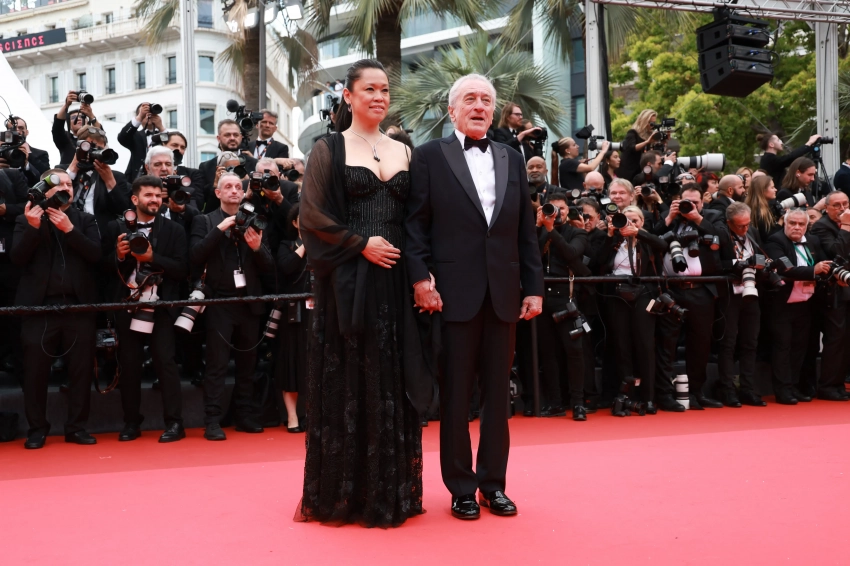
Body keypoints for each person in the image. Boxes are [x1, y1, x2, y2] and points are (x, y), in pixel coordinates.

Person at [297, 59, 430, 527]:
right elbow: (311, 216)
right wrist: (360, 244)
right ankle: (346, 494)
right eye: (369, 89)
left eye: (385, 90)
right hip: (349, 281)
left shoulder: (405, 150)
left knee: (393, 376)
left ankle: (390, 490)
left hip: (396, 280)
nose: (379, 97)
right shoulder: (328, 148)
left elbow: (417, 219)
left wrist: (422, 274)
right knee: (351, 377)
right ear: (348, 96)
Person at [406, 72, 544, 520]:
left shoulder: (511, 158)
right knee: (455, 398)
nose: (480, 106)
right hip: (452, 295)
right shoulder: (429, 156)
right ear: (452, 110)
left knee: (498, 400)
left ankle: (493, 485)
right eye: (470, 99)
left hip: (504, 294)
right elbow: (415, 226)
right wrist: (420, 278)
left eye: (486, 99)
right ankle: (461, 488)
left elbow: (524, 231)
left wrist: (534, 288)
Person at [11, 169, 102, 449]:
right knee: (35, 372)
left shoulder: (85, 220)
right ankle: (37, 429)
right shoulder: (25, 218)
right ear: (44, 189)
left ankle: (76, 427)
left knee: (81, 371)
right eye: (59, 184)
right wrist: (33, 228)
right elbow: (17, 259)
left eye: (70, 184)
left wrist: (70, 230)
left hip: (78, 307)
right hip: (38, 309)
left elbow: (97, 256)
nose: (67, 188)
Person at [189, 172, 274, 440]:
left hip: (249, 302)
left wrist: (257, 248)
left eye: (239, 186)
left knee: (248, 364)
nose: (235, 190)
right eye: (228, 187)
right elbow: (194, 256)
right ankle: (212, 420)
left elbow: (269, 267)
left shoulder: (255, 221)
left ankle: (244, 415)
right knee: (217, 364)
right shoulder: (205, 220)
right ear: (218, 193)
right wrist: (220, 228)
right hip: (219, 303)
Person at [103, 176, 188, 442]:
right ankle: (131, 423)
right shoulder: (115, 227)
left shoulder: (174, 230)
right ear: (134, 199)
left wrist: (153, 258)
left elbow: (182, 270)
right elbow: (101, 269)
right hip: (127, 304)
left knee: (166, 363)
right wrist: (119, 256)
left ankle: (175, 423)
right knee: (129, 365)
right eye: (148, 195)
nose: (154, 200)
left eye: (158, 195)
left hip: (161, 306)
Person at [652, 184, 726, 410]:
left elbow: (723, 239)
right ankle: (664, 394)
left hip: (701, 291)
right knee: (666, 343)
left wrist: (696, 218)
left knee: (700, 344)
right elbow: (652, 239)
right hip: (670, 290)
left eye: (695, 202)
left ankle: (696, 392)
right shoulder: (670, 218)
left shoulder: (711, 217)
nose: (690, 206)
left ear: (703, 202)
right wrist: (669, 216)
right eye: (687, 202)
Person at [595, 202, 671, 412]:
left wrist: (638, 233)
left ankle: (648, 397)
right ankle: (625, 396)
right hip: (617, 296)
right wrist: (610, 235)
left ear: (642, 222)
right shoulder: (614, 240)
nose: (629, 224)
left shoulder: (647, 240)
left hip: (644, 295)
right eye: (626, 220)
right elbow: (598, 261)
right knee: (622, 346)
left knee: (645, 345)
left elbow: (662, 245)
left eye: (634, 220)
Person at [763, 208, 831, 404]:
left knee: (800, 347)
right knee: (783, 347)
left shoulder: (812, 241)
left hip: (806, 302)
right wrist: (813, 270)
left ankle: (793, 386)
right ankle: (782, 390)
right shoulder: (775, 241)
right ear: (785, 223)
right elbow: (785, 269)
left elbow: (823, 263)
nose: (796, 227)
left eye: (801, 224)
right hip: (782, 304)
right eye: (792, 223)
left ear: (806, 226)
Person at [535, 192, 591, 419]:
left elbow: (571, 253)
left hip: (565, 298)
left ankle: (578, 403)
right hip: (540, 298)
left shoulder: (577, 232)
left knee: (574, 351)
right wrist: (538, 227)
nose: (557, 214)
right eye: (552, 209)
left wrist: (551, 231)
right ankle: (555, 403)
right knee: (547, 353)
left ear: (569, 211)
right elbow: (529, 255)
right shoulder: (537, 231)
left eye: (562, 209)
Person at [715, 202, 766, 407]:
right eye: (740, 226)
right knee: (728, 344)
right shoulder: (722, 234)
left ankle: (747, 389)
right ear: (729, 223)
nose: (745, 229)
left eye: (747, 224)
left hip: (751, 292)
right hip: (730, 295)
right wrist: (738, 265)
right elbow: (714, 264)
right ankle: (727, 390)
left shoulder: (752, 232)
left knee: (750, 342)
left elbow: (761, 256)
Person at [807, 191, 850, 401]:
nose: (842, 208)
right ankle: (827, 385)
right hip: (833, 292)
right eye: (837, 205)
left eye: (845, 204)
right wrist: (847, 226)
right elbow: (836, 253)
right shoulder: (822, 226)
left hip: (847, 287)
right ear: (826, 208)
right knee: (835, 338)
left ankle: (839, 383)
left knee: (846, 339)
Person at [274, 203, 308, 432]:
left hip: (319, 311)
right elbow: (286, 267)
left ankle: (314, 415)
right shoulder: (286, 245)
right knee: (291, 364)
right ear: (295, 223)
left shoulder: (325, 245)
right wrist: (306, 245)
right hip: (293, 313)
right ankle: (292, 416)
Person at [60, 127, 132, 234]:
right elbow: (54, 197)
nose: (94, 152)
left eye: (99, 149)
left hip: (98, 235)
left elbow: (123, 210)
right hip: (64, 230)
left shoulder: (116, 177)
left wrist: (110, 182)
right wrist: (73, 168)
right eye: (90, 147)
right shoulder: (62, 171)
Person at [197, 119, 258, 210]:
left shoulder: (254, 164)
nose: (232, 138)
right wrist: (215, 186)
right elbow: (204, 203)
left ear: (241, 137)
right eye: (227, 135)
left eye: (236, 135)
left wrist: (248, 183)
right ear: (218, 138)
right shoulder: (206, 167)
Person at [117, 102, 166, 182]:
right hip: (137, 179)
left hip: (161, 179)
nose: (148, 116)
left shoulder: (163, 134)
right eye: (145, 114)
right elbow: (122, 138)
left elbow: (170, 146)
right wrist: (139, 117)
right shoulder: (136, 135)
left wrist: (161, 127)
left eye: (151, 113)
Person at [618, 109, 660, 183]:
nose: (652, 126)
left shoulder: (648, 135)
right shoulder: (632, 132)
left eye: (654, 123)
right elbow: (633, 148)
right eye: (650, 123)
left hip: (639, 171)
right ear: (644, 122)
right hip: (628, 170)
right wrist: (647, 142)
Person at [5, 117, 50, 185]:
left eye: (21, 128)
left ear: (27, 132)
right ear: (7, 133)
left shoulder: (41, 154)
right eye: (12, 128)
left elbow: (47, 178)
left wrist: (28, 156)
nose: (17, 131)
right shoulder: (2, 153)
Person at [745, 174, 779, 242]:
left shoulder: (752, 207)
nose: (776, 190)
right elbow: (769, 237)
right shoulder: (760, 213)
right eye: (772, 187)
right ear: (763, 190)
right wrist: (780, 222)